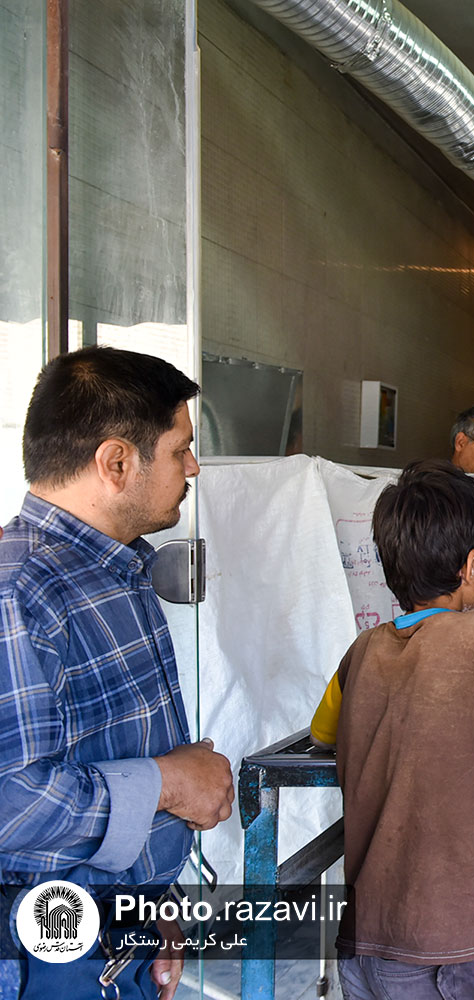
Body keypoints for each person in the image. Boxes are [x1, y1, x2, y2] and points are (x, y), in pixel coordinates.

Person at [0, 346, 235, 1000]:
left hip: (118, 932)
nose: (193, 467)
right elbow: (11, 802)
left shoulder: (118, 569)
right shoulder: (19, 594)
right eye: (181, 449)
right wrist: (169, 783)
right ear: (117, 462)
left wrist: (154, 907)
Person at [308, 460, 474, 1000]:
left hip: (362, 944)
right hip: (455, 949)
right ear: (470, 565)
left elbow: (323, 734)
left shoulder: (362, 649)